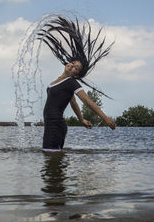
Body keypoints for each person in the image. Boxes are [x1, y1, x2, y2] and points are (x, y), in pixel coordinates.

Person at [37, 14, 116, 151]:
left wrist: (105, 118)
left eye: (76, 68)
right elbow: (72, 101)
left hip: (56, 125)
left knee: (51, 159)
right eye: (72, 63)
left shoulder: (71, 82)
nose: (72, 66)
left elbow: (88, 102)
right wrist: (81, 119)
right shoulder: (58, 81)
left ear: (76, 74)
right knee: (53, 163)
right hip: (52, 124)